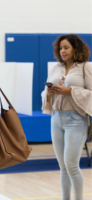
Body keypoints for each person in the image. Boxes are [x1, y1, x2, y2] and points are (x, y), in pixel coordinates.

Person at [41, 34, 92, 200]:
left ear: (76, 48)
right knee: (62, 166)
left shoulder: (86, 68)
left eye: (66, 47)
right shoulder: (56, 68)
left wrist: (69, 91)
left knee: (72, 166)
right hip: (56, 118)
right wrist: (48, 93)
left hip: (76, 120)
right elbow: (45, 93)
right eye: (60, 48)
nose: (62, 51)